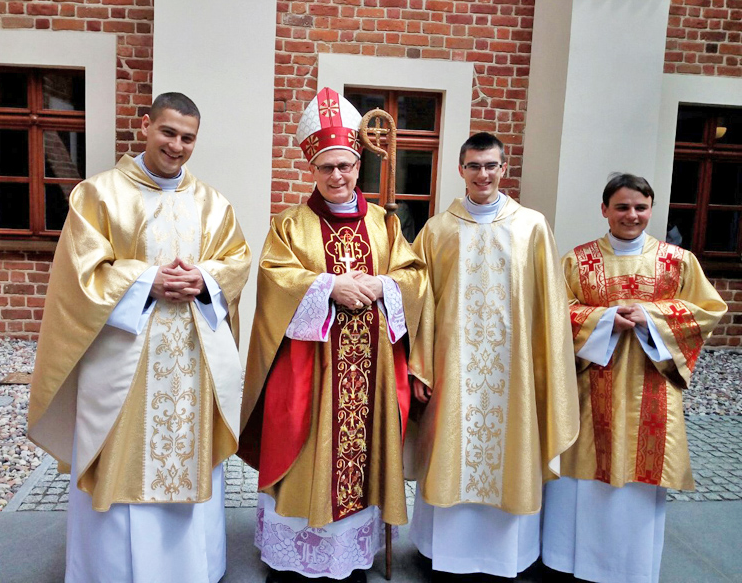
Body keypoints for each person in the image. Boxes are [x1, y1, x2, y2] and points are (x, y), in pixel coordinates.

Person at [28, 92, 251, 583]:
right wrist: (145, 281)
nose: (177, 146)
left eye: (188, 138)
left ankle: (191, 571)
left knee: (186, 459)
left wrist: (206, 279)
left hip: (191, 364)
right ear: (145, 125)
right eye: (168, 132)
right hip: (124, 361)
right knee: (122, 458)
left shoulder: (213, 203)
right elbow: (79, 274)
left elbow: (237, 260)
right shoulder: (99, 195)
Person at [238, 87, 427, 583]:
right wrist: (328, 287)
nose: (338, 177)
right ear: (312, 170)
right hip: (312, 370)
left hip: (370, 373)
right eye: (327, 168)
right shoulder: (291, 225)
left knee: (361, 459)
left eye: (345, 166)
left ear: (358, 163)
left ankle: (349, 557)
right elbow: (274, 277)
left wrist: (384, 284)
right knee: (304, 448)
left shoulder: (386, 224)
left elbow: (414, 276)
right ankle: (296, 560)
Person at [408, 132, 580, 578]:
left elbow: (550, 308)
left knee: (511, 450)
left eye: (491, 166)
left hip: (514, 373)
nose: (482, 174)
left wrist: (545, 371)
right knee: (450, 449)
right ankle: (442, 553)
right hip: (453, 368)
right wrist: (420, 365)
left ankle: (508, 556)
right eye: (473, 166)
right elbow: (419, 304)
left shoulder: (531, 226)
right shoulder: (438, 229)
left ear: (504, 169)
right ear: (460, 170)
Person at [542, 173, 727, 583]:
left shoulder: (677, 261)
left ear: (650, 209)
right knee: (582, 473)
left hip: (651, 387)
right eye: (622, 207)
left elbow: (708, 309)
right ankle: (571, 563)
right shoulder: (579, 259)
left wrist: (652, 317)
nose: (632, 215)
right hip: (590, 387)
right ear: (605, 209)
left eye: (640, 207)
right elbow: (554, 312)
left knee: (639, 482)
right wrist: (604, 319)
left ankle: (631, 568)